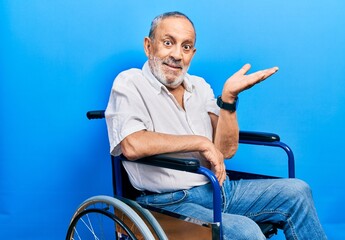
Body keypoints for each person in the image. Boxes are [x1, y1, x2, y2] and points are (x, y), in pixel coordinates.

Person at [105, 11, 327, 240]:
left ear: (193, 53)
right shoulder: (130, 82)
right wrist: (201, 143)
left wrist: (228, 100)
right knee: (245, 231)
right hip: (170, 201)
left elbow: (225, 150)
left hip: (219, 190)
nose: (177, 55)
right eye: (168, 43)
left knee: (297, 191)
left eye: (186, 46)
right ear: (148, 46)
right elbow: (132, 144)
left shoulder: (199, 86)